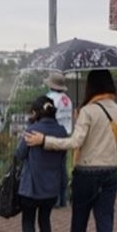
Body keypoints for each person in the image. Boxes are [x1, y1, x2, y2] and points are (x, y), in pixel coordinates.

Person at [25, 69, 117, 232]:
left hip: (87, 171)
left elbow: (75, 142)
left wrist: (44, 141)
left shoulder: (88, 110)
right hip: (110, 170)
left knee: (80, 214)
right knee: (105, 218)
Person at [15, 96, 67, 232]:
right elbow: (62, 155)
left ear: (36, 112)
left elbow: (19, 154)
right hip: (51, 186)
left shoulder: (32, 130)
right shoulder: (61, 131)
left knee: (28, 219)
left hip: (31, 186)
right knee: (45, 220)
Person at [44, 72, 74, 208]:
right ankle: (63, 198)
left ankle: (54, 199)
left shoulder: (49, 98)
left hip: (52, 134)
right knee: (62, 167)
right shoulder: (68, 99)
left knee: (51, 167)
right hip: (65, 134)